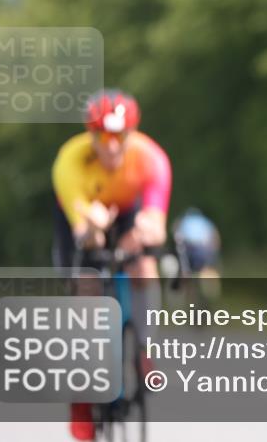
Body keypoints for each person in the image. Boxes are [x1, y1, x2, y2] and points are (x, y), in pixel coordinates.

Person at [51, 89, 172, 441]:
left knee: (144, 266)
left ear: (131, 134)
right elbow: (82, 229)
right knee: (86, 289)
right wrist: (92, 227)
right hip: (83, 216)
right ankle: (83, 399)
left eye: (120, 136)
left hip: (125, 211)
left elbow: (155, 216)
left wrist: (146, 231)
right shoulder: (69, 161)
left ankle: (146, 351)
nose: (113, 146)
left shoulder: (151, 159)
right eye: (104, 136)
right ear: (91, 136)